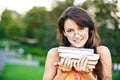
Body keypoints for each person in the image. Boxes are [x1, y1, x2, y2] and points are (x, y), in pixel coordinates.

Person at [43, 6, 112, 80]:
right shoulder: (55, 54)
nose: (76, 35)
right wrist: (62, 73)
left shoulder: (102, 53)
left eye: (81, 28)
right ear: (64, 32)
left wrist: (87, 74)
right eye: (70, 31)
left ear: (89, 28)